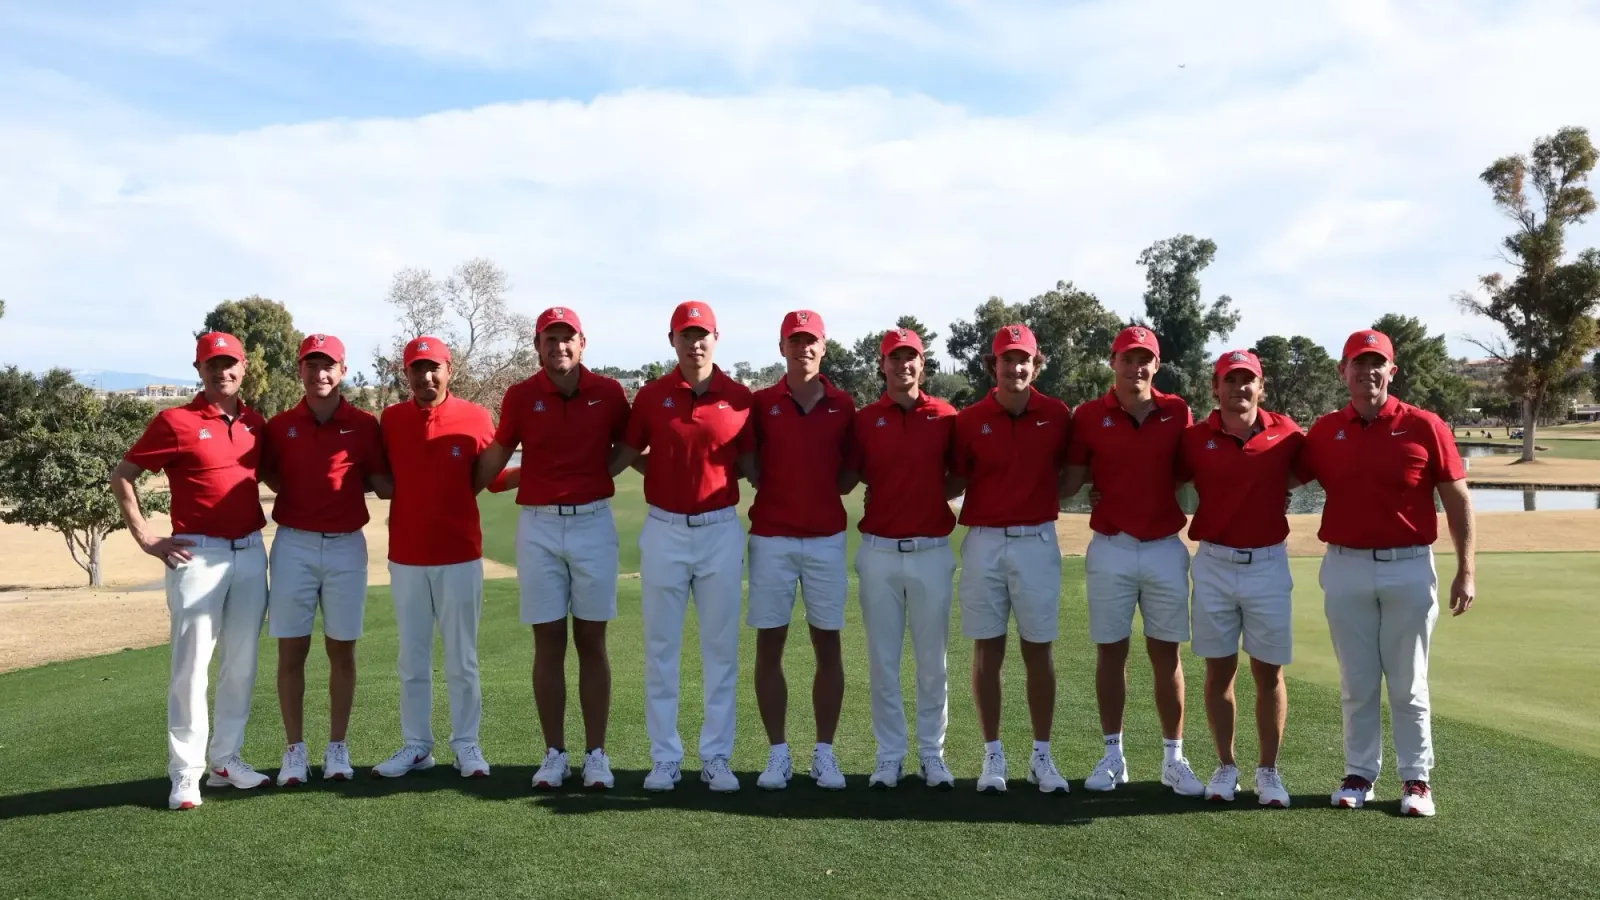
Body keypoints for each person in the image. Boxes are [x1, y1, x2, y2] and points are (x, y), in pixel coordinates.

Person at [1294, 328, 1476, 817]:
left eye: (1378, 364)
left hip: (1409, 567)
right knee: (1357, 681)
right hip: (1345, 565)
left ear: (1391, 371)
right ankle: (1360, 774)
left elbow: (1457, 498)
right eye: (1358, 363)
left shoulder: (1424, 425)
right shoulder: (1325, 430)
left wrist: (1467, 570)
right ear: (1343, 372)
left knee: (1408, 682)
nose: (1367, 372)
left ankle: (1417, 781)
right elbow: (1281, 473)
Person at [111, 332, 271, 810]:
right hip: (196, 555)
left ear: (244, 368)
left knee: (241, 665)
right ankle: (185, 772)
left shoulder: (256, 425)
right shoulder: (175, 422)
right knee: (191, 668)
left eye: (230, 364)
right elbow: (124, 474)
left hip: (249, 552)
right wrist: (146, 537)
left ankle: (225, 760)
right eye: (212, 364)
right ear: (199, 370)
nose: (222, 371)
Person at [475, 306, 631, 791]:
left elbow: (627, 447)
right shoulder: (521, 396)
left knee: (592, 641)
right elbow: (496, 457)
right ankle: (555, 753)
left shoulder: (608, 392)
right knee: (548, 643)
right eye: (550, 339)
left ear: (582, 343)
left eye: (568, 339)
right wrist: (454, 488)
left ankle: (597, 754)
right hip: (539, 528)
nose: (559, 347)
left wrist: (595, 474)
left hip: (593, 525)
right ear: (537, 346)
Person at [611, 301, 757, 793]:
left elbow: (749, 464)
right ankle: (665, 758)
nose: (694, 343)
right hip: (664, 530)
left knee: (721, 650)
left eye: (702, 334)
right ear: (671, 340)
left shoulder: (739, 398)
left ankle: (716, 757)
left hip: (719, 530)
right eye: (684, 334)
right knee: (661, 649)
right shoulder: (652, 396)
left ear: (716, 338)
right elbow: (628, 454)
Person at [1062, 325, 1202, 797]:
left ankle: (1173, 759)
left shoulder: (1178, 412)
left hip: (1164, 546)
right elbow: (1074, 478)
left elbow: (1189, 470)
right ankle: (1113, 755)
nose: (1136, 366)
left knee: (1167, 656)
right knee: (1111, 653)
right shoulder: (1087, 416)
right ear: (1113, 361)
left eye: (1145, 358)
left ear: (1155, 366)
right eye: (1127, 357)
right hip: (1111, 546)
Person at [948, 324, 1072, 794]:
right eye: (1007, 359)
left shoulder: (1057, 414)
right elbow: (956, 481)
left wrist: (1036, 502)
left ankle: (1042, 755)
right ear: (992, 365)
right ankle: (992, 755)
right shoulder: (969, 419)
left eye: (1024, 360)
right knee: (988, 648)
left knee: (1038, 648)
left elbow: (1071, 475)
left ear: (1035, 364)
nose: (1015, 367)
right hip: (983, 542)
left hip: (1037, 541)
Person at [260, 333, 388, 786]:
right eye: (312, 365)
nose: (320, 373)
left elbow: (381, 480)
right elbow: (270, 471)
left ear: (342, 370)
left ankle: (338, 747)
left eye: (328, 365)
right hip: (293, 543)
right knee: (291, 649)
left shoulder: (365, 424)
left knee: (342, 649)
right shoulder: (280, 425)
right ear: (300, 370)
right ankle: (294, 750)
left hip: (346, 545)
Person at [1178, 350, 1301, 807]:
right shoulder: (1194, 438)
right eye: (1230, 380)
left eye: (1248, 380)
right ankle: (1226, 766)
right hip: (1212, 562)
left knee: (1269, 671)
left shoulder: (1286, 433)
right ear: (1216, 387)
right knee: (1218, 671)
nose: (1239, 388)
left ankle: (1268, 771)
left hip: (1268, 564)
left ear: (1261, 387)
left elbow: (1303, 472)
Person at [371, 336, 497, 780]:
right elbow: (378, 477)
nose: (426, 376)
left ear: (450, 370)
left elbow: (495, 478)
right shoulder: (391, 420)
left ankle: (466, 745)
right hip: (406, 556)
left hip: (460, 555)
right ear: (405, 374)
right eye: (416, 368)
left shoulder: (476, 416)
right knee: (412, 658)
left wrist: (553, 468)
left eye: (433, 367)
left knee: (462, 658)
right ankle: (417, 746)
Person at [840, 327, 959, 790]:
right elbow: (849, 475)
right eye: (895, 358)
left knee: (933, 662)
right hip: (879, 554)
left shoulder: (946, 415)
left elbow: (959, 475)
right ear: (882, 365)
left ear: (922, 365)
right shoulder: (866, 420)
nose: (903, 365)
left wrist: (928, 497)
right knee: (883, 661)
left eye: (911, 357)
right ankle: (889, 755)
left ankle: (932, 753)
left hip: (931, 551)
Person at [746, 310, 856, 791]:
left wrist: (819, 495)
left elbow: (850, 470)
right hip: (771, 537)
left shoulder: (843, 404)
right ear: (782, 347)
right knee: (769, 645)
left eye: (811, 342)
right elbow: (750, 460)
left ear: (823, 348)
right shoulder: (761, 402)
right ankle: (777, 754)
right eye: (795, 341)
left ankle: (825, 754)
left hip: (826, 538)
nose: (803, 349)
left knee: (826, 644)